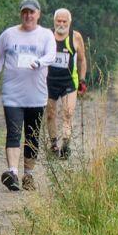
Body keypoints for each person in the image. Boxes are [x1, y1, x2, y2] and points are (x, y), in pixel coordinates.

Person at [0, 0, 56, 191]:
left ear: (38, 14)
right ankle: (13, 173)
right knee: (14, 132)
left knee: (32, 136)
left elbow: (51, 55)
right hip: (12, 94)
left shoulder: (46, 35)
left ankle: (28, 175)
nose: (28, 16)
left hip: (36, 96)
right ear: (20, 14)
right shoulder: (8, 35)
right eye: (25, 12)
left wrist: (39, 62)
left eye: (32, 12)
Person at [46, 8, 88, 159]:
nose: (61, 24)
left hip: (69, 81)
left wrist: (82, 80)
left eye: (64, 21)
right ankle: (53, 145)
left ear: (70, 22)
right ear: (54, 21)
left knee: (68, 113)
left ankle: (65, 144)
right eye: (59, 21)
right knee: (50, 114)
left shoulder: (75, 37)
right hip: (49, 81)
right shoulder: (47, 35)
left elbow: (82, 60)